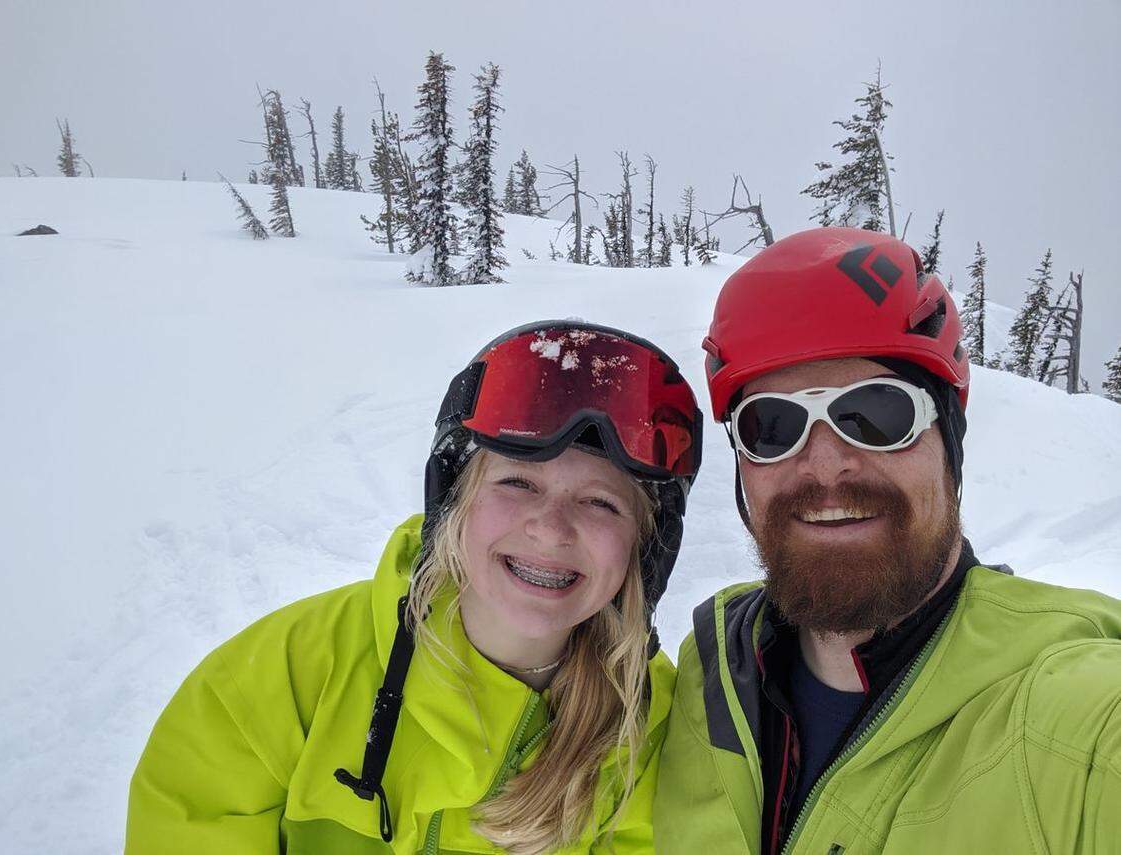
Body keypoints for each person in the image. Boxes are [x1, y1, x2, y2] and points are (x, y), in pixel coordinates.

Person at [127, 320, 703, 854]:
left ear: (644, 549)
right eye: (518, 482)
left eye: (600, 502)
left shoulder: (654, 734)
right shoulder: (283, 677)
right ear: (454, 505)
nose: (550, 529)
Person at [655, 228, 1121, 854]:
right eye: (773, 427)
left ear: (949, 438)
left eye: (876, 414)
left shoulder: (1070, 717)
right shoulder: (700, 682)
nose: (824, 466)